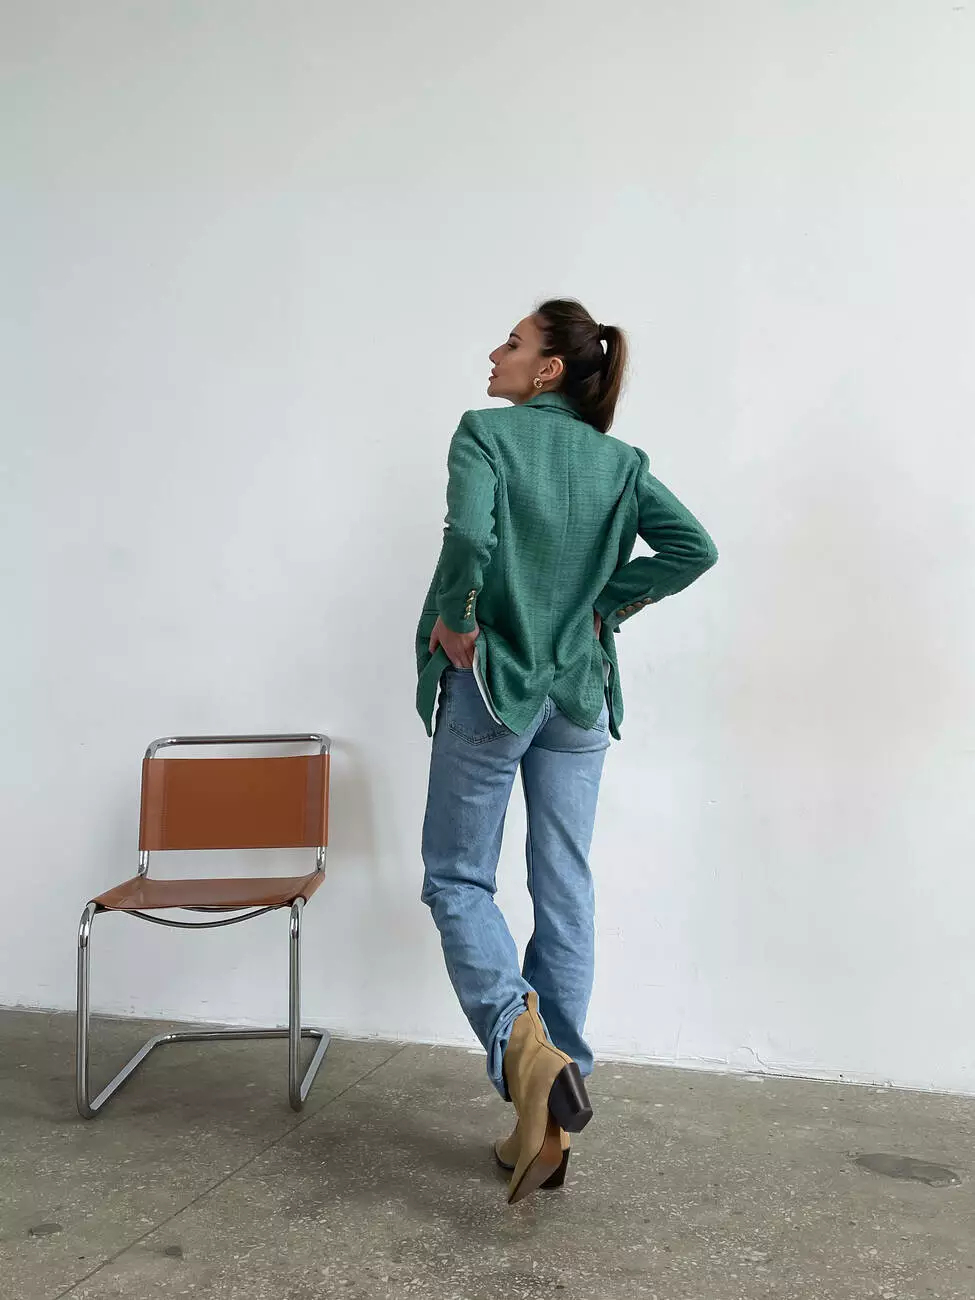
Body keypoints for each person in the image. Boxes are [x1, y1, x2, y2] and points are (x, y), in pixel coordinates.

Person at [415, 299, 718, 1205]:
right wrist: (605, 605)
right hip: (578, 693)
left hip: (493, 682)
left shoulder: (486, 434)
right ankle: (549, 1112)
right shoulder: (621, 464)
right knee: (564, 885)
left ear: (547, 368)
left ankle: (523, 1045)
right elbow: (692, 548)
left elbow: (471, 536)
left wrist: (456, 614)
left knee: (457, 878)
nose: (496, 352)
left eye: (512, 342)